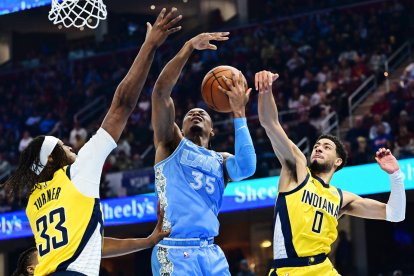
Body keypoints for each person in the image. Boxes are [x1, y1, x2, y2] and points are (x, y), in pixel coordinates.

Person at [3, 8, 182, 276]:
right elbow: (122, 104)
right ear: (52, 158)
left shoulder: (34, 202)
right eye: (63, 146)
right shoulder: (76, 173)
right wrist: (149, 46)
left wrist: (147, 241)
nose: (71, 147)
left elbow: (91, 243)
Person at [254, 70, 406, 276]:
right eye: (317, 145)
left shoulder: (341, 198)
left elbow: (395, 214)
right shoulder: (296, 170)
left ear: (338, 161)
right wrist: (265, 89)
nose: (318, 148)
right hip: (289, 269)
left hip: (323, 269)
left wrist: (395, 175)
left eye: (326, 147)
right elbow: (270, 123)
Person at [150, 32, 256, 275]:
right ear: (181, 125)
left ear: (213, 130)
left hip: (211, 252)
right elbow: (160, 93)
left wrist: (239, 112)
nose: (195, 113)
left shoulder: (222, 161)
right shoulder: (170, 144)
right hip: (174, 249)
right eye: (189, 114)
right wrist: (188, 47)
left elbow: (248, 167)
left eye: (203, 113)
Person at [12, 206, 168, 276]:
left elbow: (100, 246)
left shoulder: (66, 258)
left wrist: (148, 241)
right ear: (31, 269)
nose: (51, 252)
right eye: (44, 253)